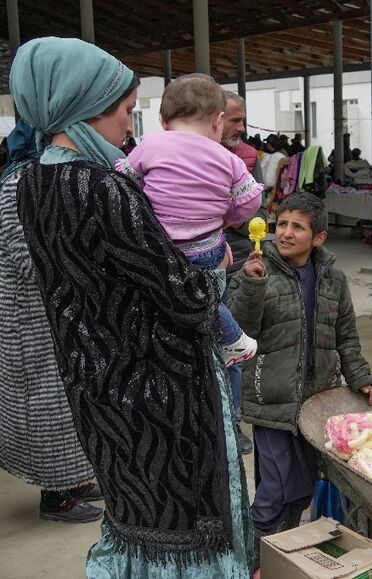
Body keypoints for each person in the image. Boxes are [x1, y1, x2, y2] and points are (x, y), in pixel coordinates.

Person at [12, 37, 252, 575]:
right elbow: (183, 296)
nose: (130, 124)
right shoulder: (103, 187)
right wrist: (216, 268)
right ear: (86, 107)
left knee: (133, 519)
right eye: (125, 110)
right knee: (182, 528)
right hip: (157, 393)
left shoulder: (31, 182)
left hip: (94, 385)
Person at [228, 193, 372, 564]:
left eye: (298, 227)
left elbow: (345, 334)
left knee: (302, 488)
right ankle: (250, 559)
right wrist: (250, 285)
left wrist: (360, 376)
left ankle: (283, 553)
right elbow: (239, 330)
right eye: (282, 224)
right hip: (271, 400)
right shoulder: (256, 271)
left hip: (316, 404)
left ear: (319, 237)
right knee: (275, 489)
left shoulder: (334, 279)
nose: (286, 233)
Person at [115, 73, 263, 366]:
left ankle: (224, 341)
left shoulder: (150, 145)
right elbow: (251, 200)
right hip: (210, 248)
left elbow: (124, 179)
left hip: (163, 249)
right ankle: (230, 342)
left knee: (182, 298)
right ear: (218, 121)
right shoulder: (228, 158)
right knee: (207, 297)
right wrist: (225, 216)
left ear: (163, 120)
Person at [0, 119, 104, 524]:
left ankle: (71, 480)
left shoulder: (45, 178)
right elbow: (26, 260)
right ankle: (55, 496)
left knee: (68, 401)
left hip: (55, 310)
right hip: (28, 320)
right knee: (45, 407)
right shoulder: (15, 186)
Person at [221, 90, 265, 455]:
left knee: (232, 348)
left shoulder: (249, 157)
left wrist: (235, 217)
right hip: (200, 264)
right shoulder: (188, 157)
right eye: (235, 120)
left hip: (236, 262)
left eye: (243, 120)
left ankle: (233, 424)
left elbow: (259, 211)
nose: (241, 128)